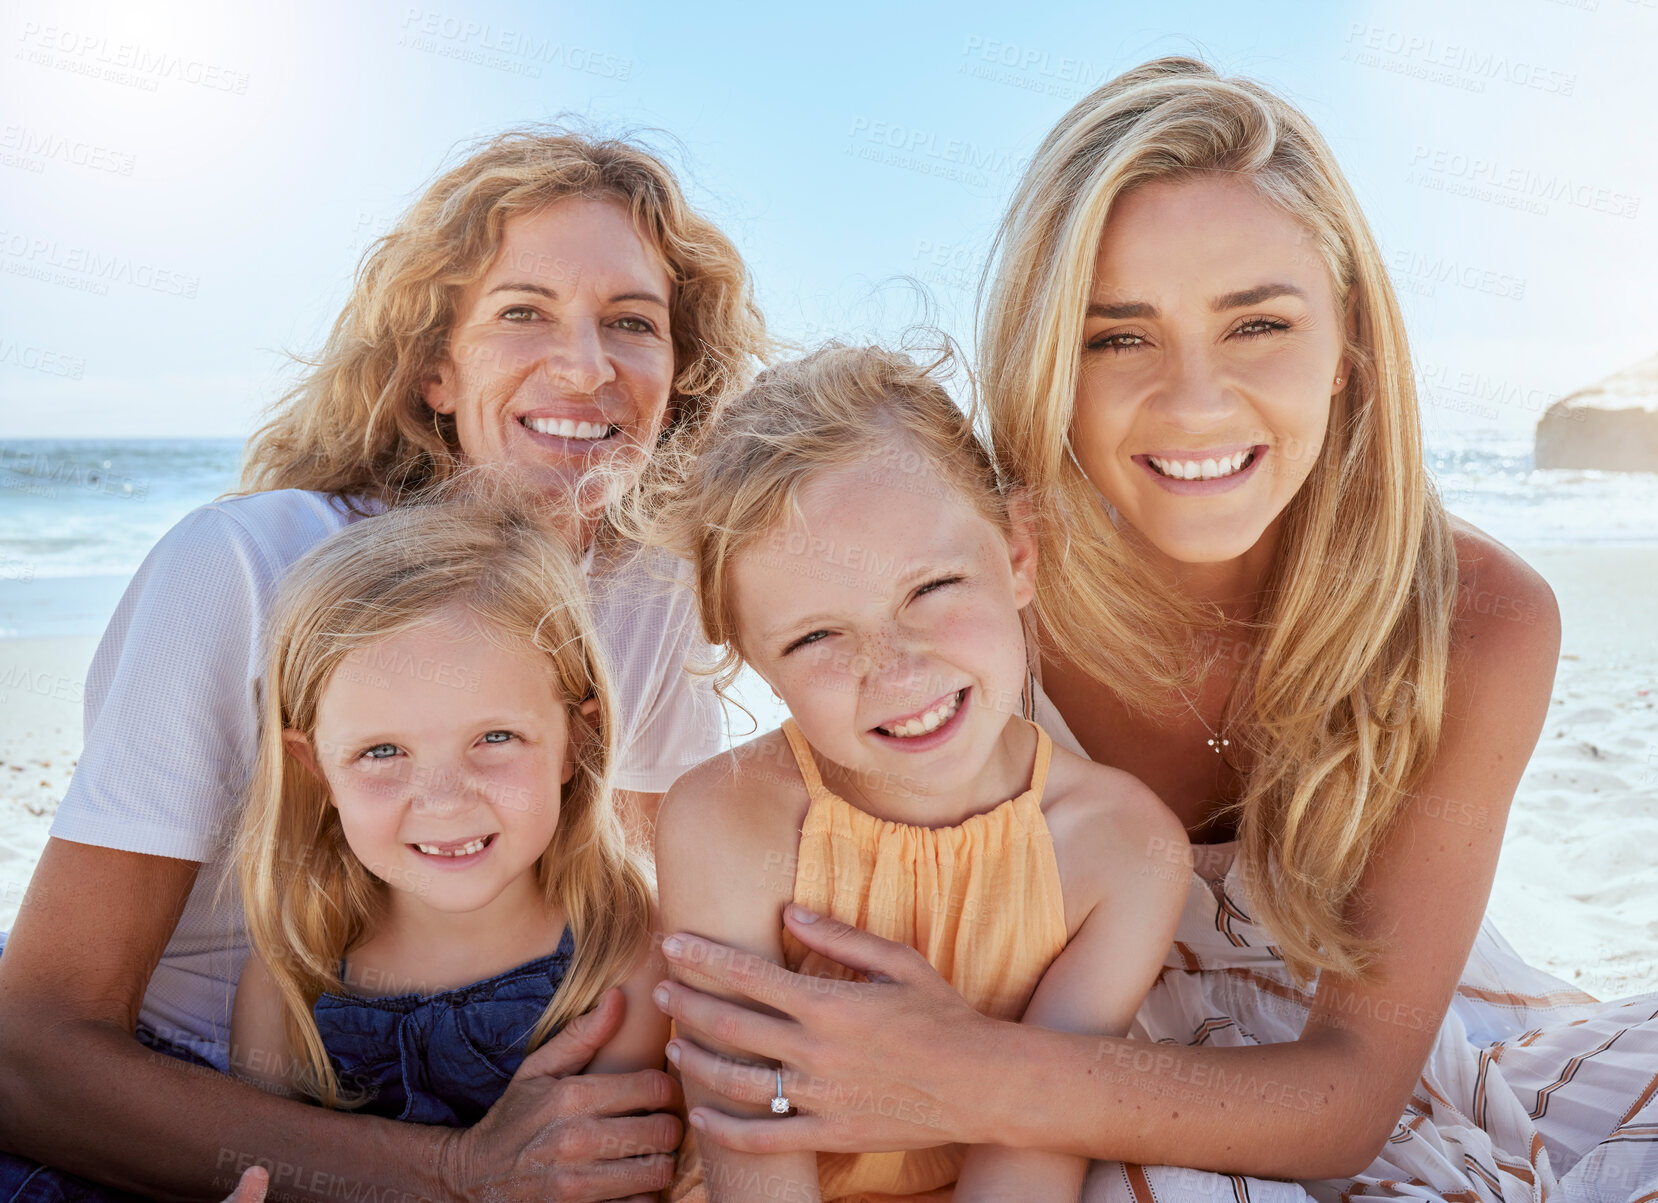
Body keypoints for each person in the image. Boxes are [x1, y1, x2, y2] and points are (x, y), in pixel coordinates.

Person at [646, 59, 1658, 1200]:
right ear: (1048, 361)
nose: (1194, 402)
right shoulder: (957, 578)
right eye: (1119, 338)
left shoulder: (1478, 622)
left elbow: (1347, 1097)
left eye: (1259, 324)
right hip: (1043, 1051)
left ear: (1351, 351)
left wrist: (971, 1074)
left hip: (1294, 1067)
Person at [0, 127, 765, 1201]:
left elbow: (648, 923)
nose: (587, 366)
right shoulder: (247, 568)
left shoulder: (644, 594)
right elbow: (32, 1055)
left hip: (500, 1103)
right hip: (183, 1115)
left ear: (677, 377)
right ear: (435, 373)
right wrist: (455, 1175)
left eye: (632, 324)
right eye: (524, 312)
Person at [645, 345, 1188, 1202]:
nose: (896, 671)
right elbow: (750, 1148)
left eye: (931, 586)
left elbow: (1038, 1145)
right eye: (816, 637)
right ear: (749, 653)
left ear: (1017, 553)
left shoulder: (1122, 848)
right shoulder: (727, 820)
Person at [229, 491, 667, 1126]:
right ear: (315, 769)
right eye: (382, 751)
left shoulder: (626, 948)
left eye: (494, 739)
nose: (443, 798)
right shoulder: (292, 971)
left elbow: (615, 1177)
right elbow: (269, 1165)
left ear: (577, 742)